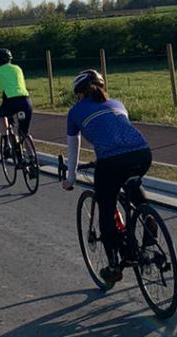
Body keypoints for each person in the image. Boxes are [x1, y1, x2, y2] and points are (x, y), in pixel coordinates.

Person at [61, 69, 152, 284]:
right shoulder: (118, 104)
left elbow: (73, 148)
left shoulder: (75, 112)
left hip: (111, 161)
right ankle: (149, 224)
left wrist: (71, 177)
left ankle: (113, 265)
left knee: (106, 209)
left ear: (80, 93)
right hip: (142, 153)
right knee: (132, 185)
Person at [0, 48, 32, 138]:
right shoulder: (17, 68)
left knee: (2, 114)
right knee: (23, 132)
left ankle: (5, 135)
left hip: (10, 101)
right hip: (26, 100)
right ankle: (30, 151)